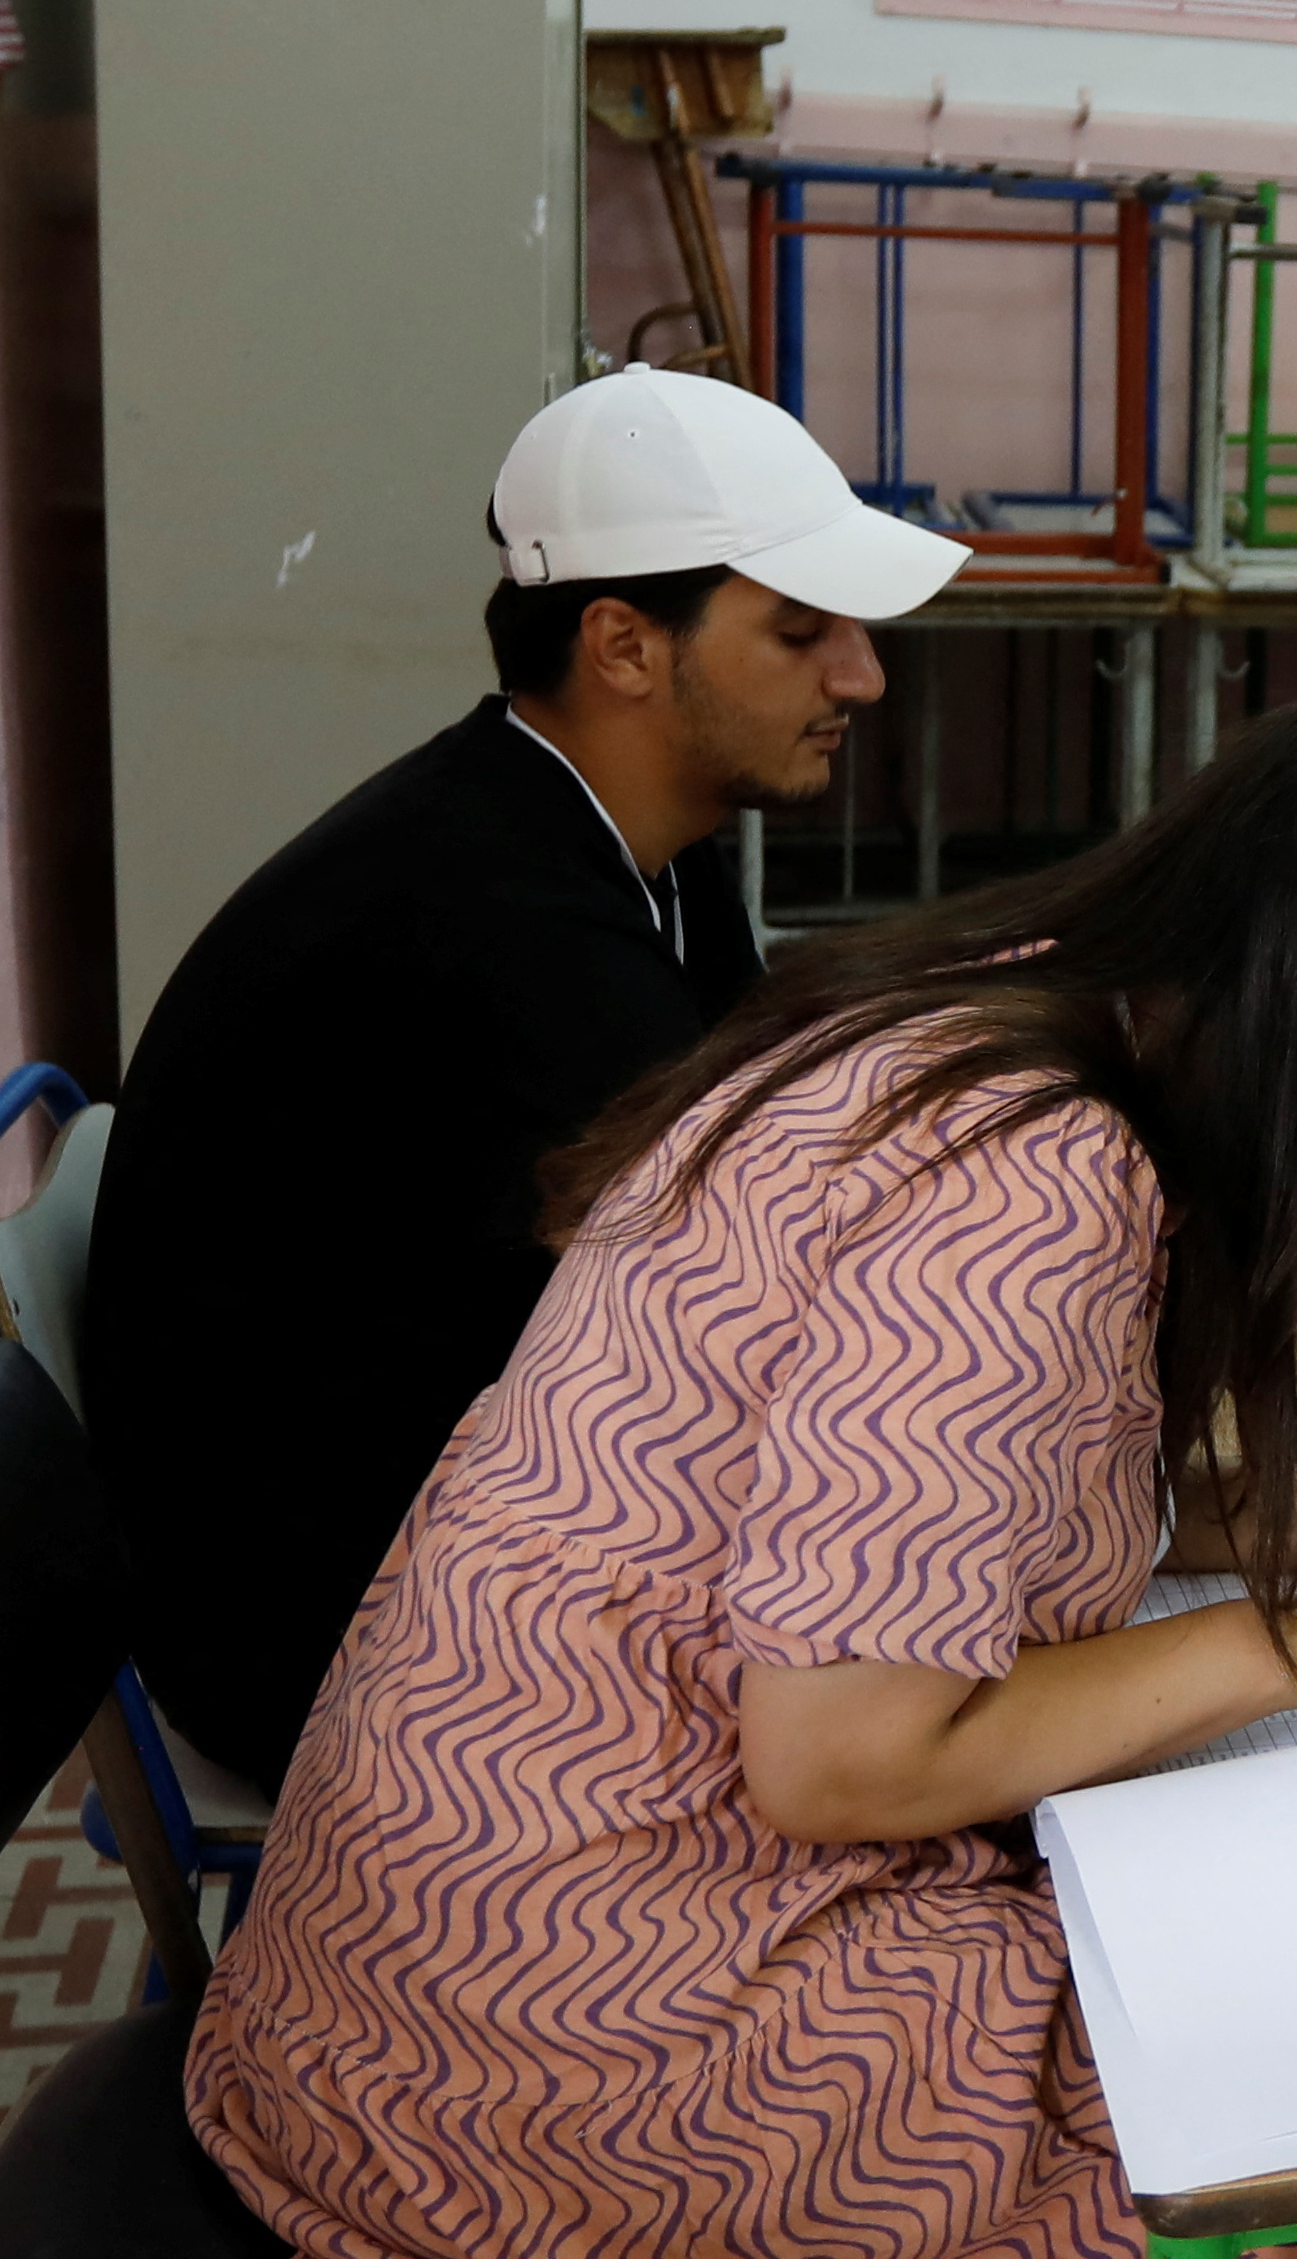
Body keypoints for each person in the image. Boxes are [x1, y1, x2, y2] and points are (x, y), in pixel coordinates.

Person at [183, 676, 1297, 2259]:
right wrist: (1287, 1635)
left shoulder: (1000, 1018)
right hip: (580, 2028)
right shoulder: (1031, 1178)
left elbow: (931, 1508)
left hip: (447, 1928)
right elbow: (839, 1758)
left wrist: (1274, 1512)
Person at [83, 367, 964, 1794]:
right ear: (623, 643)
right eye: (802, 631)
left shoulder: (624, 843)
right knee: (917, 1731)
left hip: (425, 1506)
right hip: (324, 1634)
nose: (861, 674)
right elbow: (739, 1292)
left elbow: (785, 1149)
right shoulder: (481, 922)